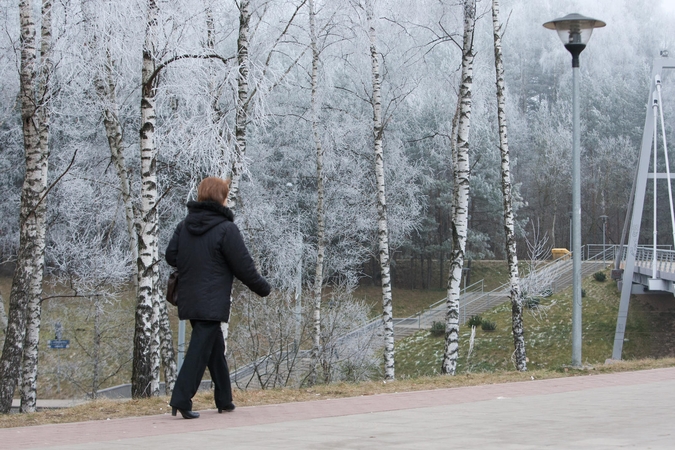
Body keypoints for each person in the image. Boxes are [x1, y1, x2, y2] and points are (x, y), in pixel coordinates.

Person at [166, 176, 271, 419]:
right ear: (222, 199)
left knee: (214, 346)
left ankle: (224, 399)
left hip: (190, 297)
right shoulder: (226, 229)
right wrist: (264, 288)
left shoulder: (184, 226)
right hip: (212, 299)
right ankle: (181, 399)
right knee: (200, 349)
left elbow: (171, 256)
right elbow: (243, 266)